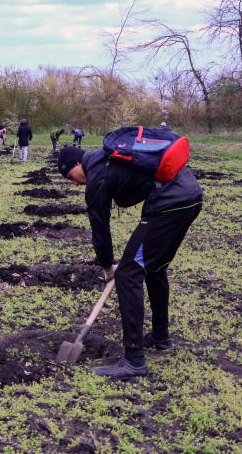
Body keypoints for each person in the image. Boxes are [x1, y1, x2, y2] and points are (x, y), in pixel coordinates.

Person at [57, 145, 202, 378]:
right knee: (154, 267)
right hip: (190, 195)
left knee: (127, 274)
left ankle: (134, 361)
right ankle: (160, 336)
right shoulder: (106, 158)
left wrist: (107, 267)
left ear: (76, 165)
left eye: (69, 176)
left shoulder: (97, 175)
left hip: (170, 203)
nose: (73, 183)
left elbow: (100, 228)